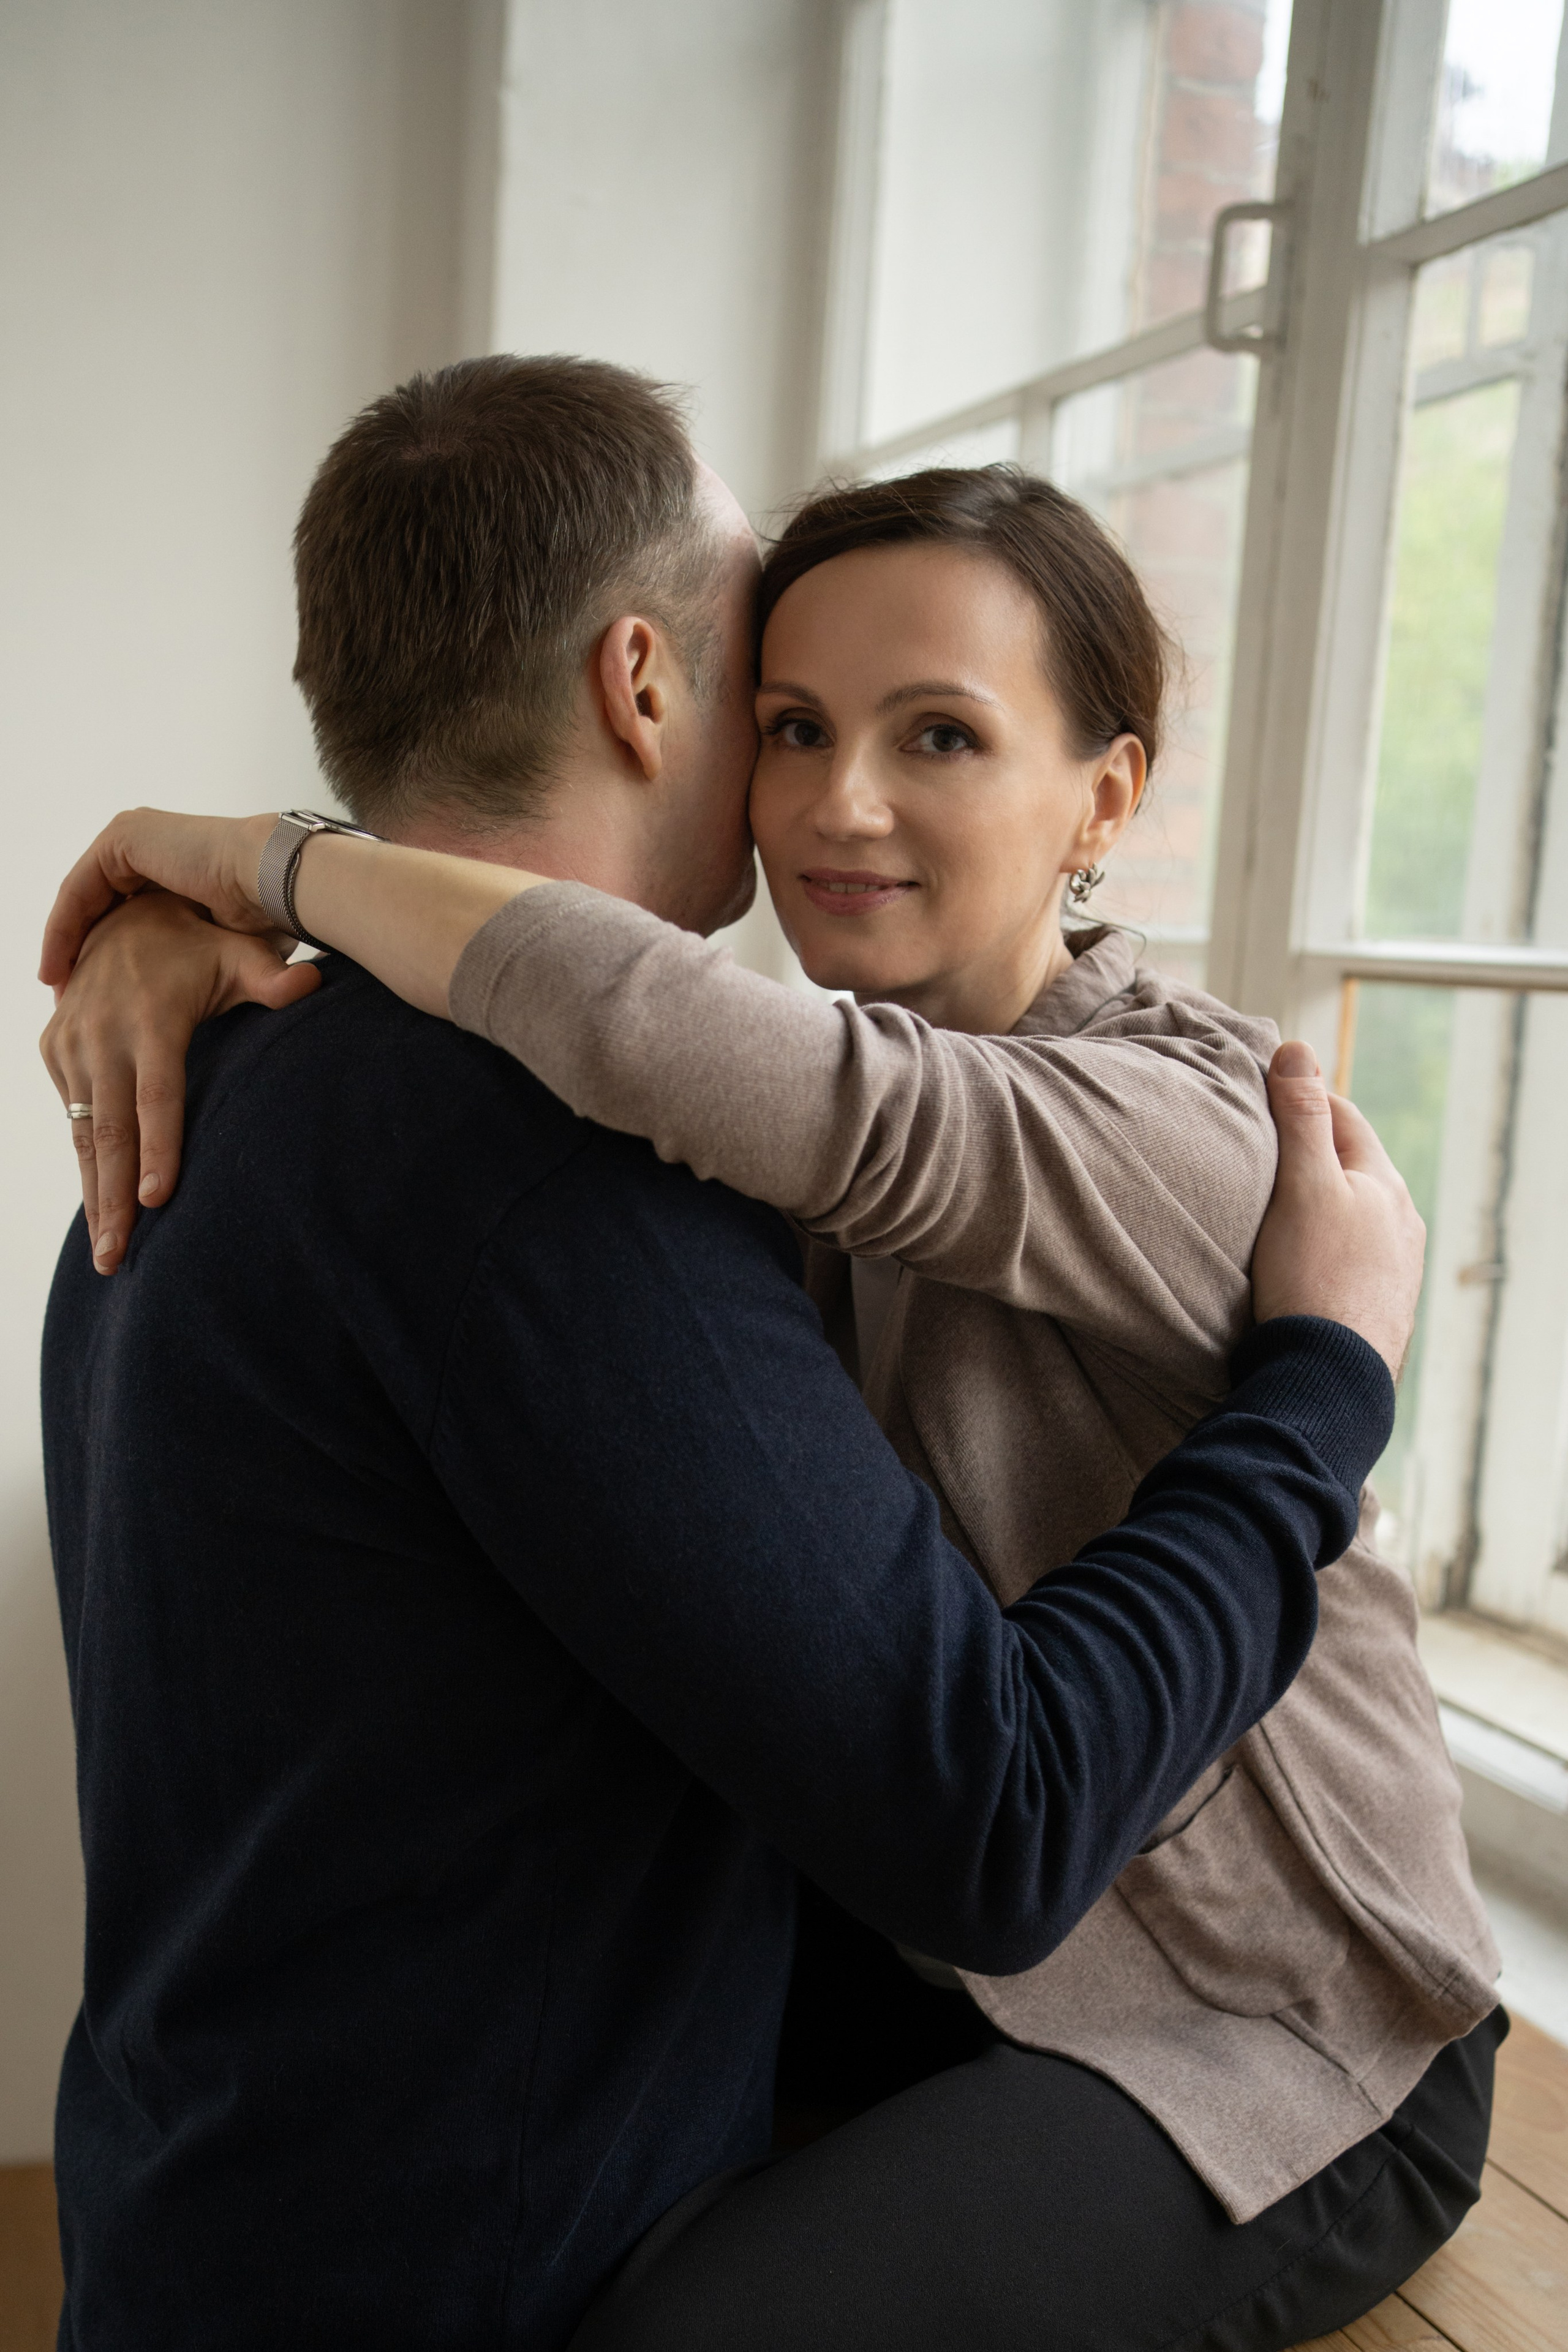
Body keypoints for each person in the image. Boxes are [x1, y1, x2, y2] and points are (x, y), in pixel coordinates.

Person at [41, 356, 1439, 2352]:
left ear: (1104, 795)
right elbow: (982, 1813)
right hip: (439, 2250)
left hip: (227, 2196)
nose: (833, 800)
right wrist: (213, 889)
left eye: (937, 732)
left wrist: (254, 870)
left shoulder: (236, 1083)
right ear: (644, 687)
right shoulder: (556, 1152)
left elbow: (780, 1092)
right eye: (784, 713)